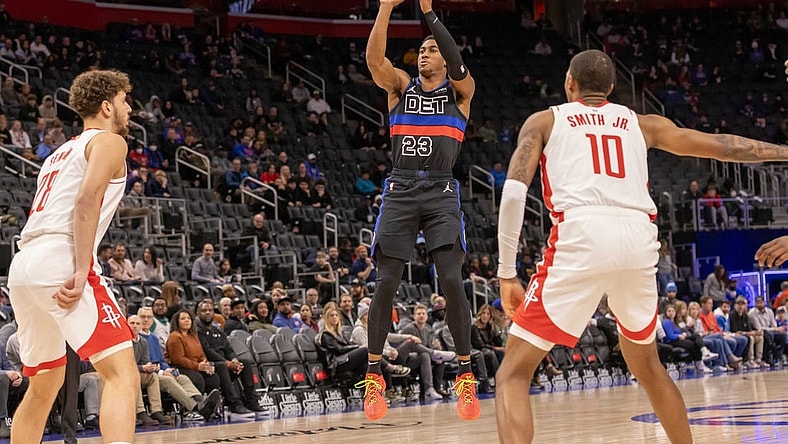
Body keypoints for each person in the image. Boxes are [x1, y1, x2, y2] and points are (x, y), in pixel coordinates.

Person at [494, 49, 788, 444]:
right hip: (638, 238)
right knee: (647, 364)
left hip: (582, 232)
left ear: (569, 84)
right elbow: (722, 147)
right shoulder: (642, 123)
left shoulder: (546, 119)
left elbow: (513, 194)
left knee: (512, 371)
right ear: (613, 89)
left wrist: (506, 272)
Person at [361, 0, 478, 422]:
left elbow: (457, 59)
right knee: (386, 281)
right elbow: (374, 60)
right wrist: (387, 8)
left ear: (446, 60)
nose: (425, 52)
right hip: (401, 188)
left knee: (450, 277)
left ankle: (465, 376)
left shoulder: (460, 93)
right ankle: (374, 378)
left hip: (442, 190)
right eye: (422, 49)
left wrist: (429, 13)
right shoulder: (400, 87)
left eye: (432, 49)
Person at [7, 70, 138, 444]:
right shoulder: (110, 141)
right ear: (106, 105)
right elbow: (86, 200)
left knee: (44, 383)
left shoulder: (57, 154)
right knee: (121, 372)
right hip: (61, 259)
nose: (129, 108)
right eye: (124, 100)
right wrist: (82, 270)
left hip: (25, 264)